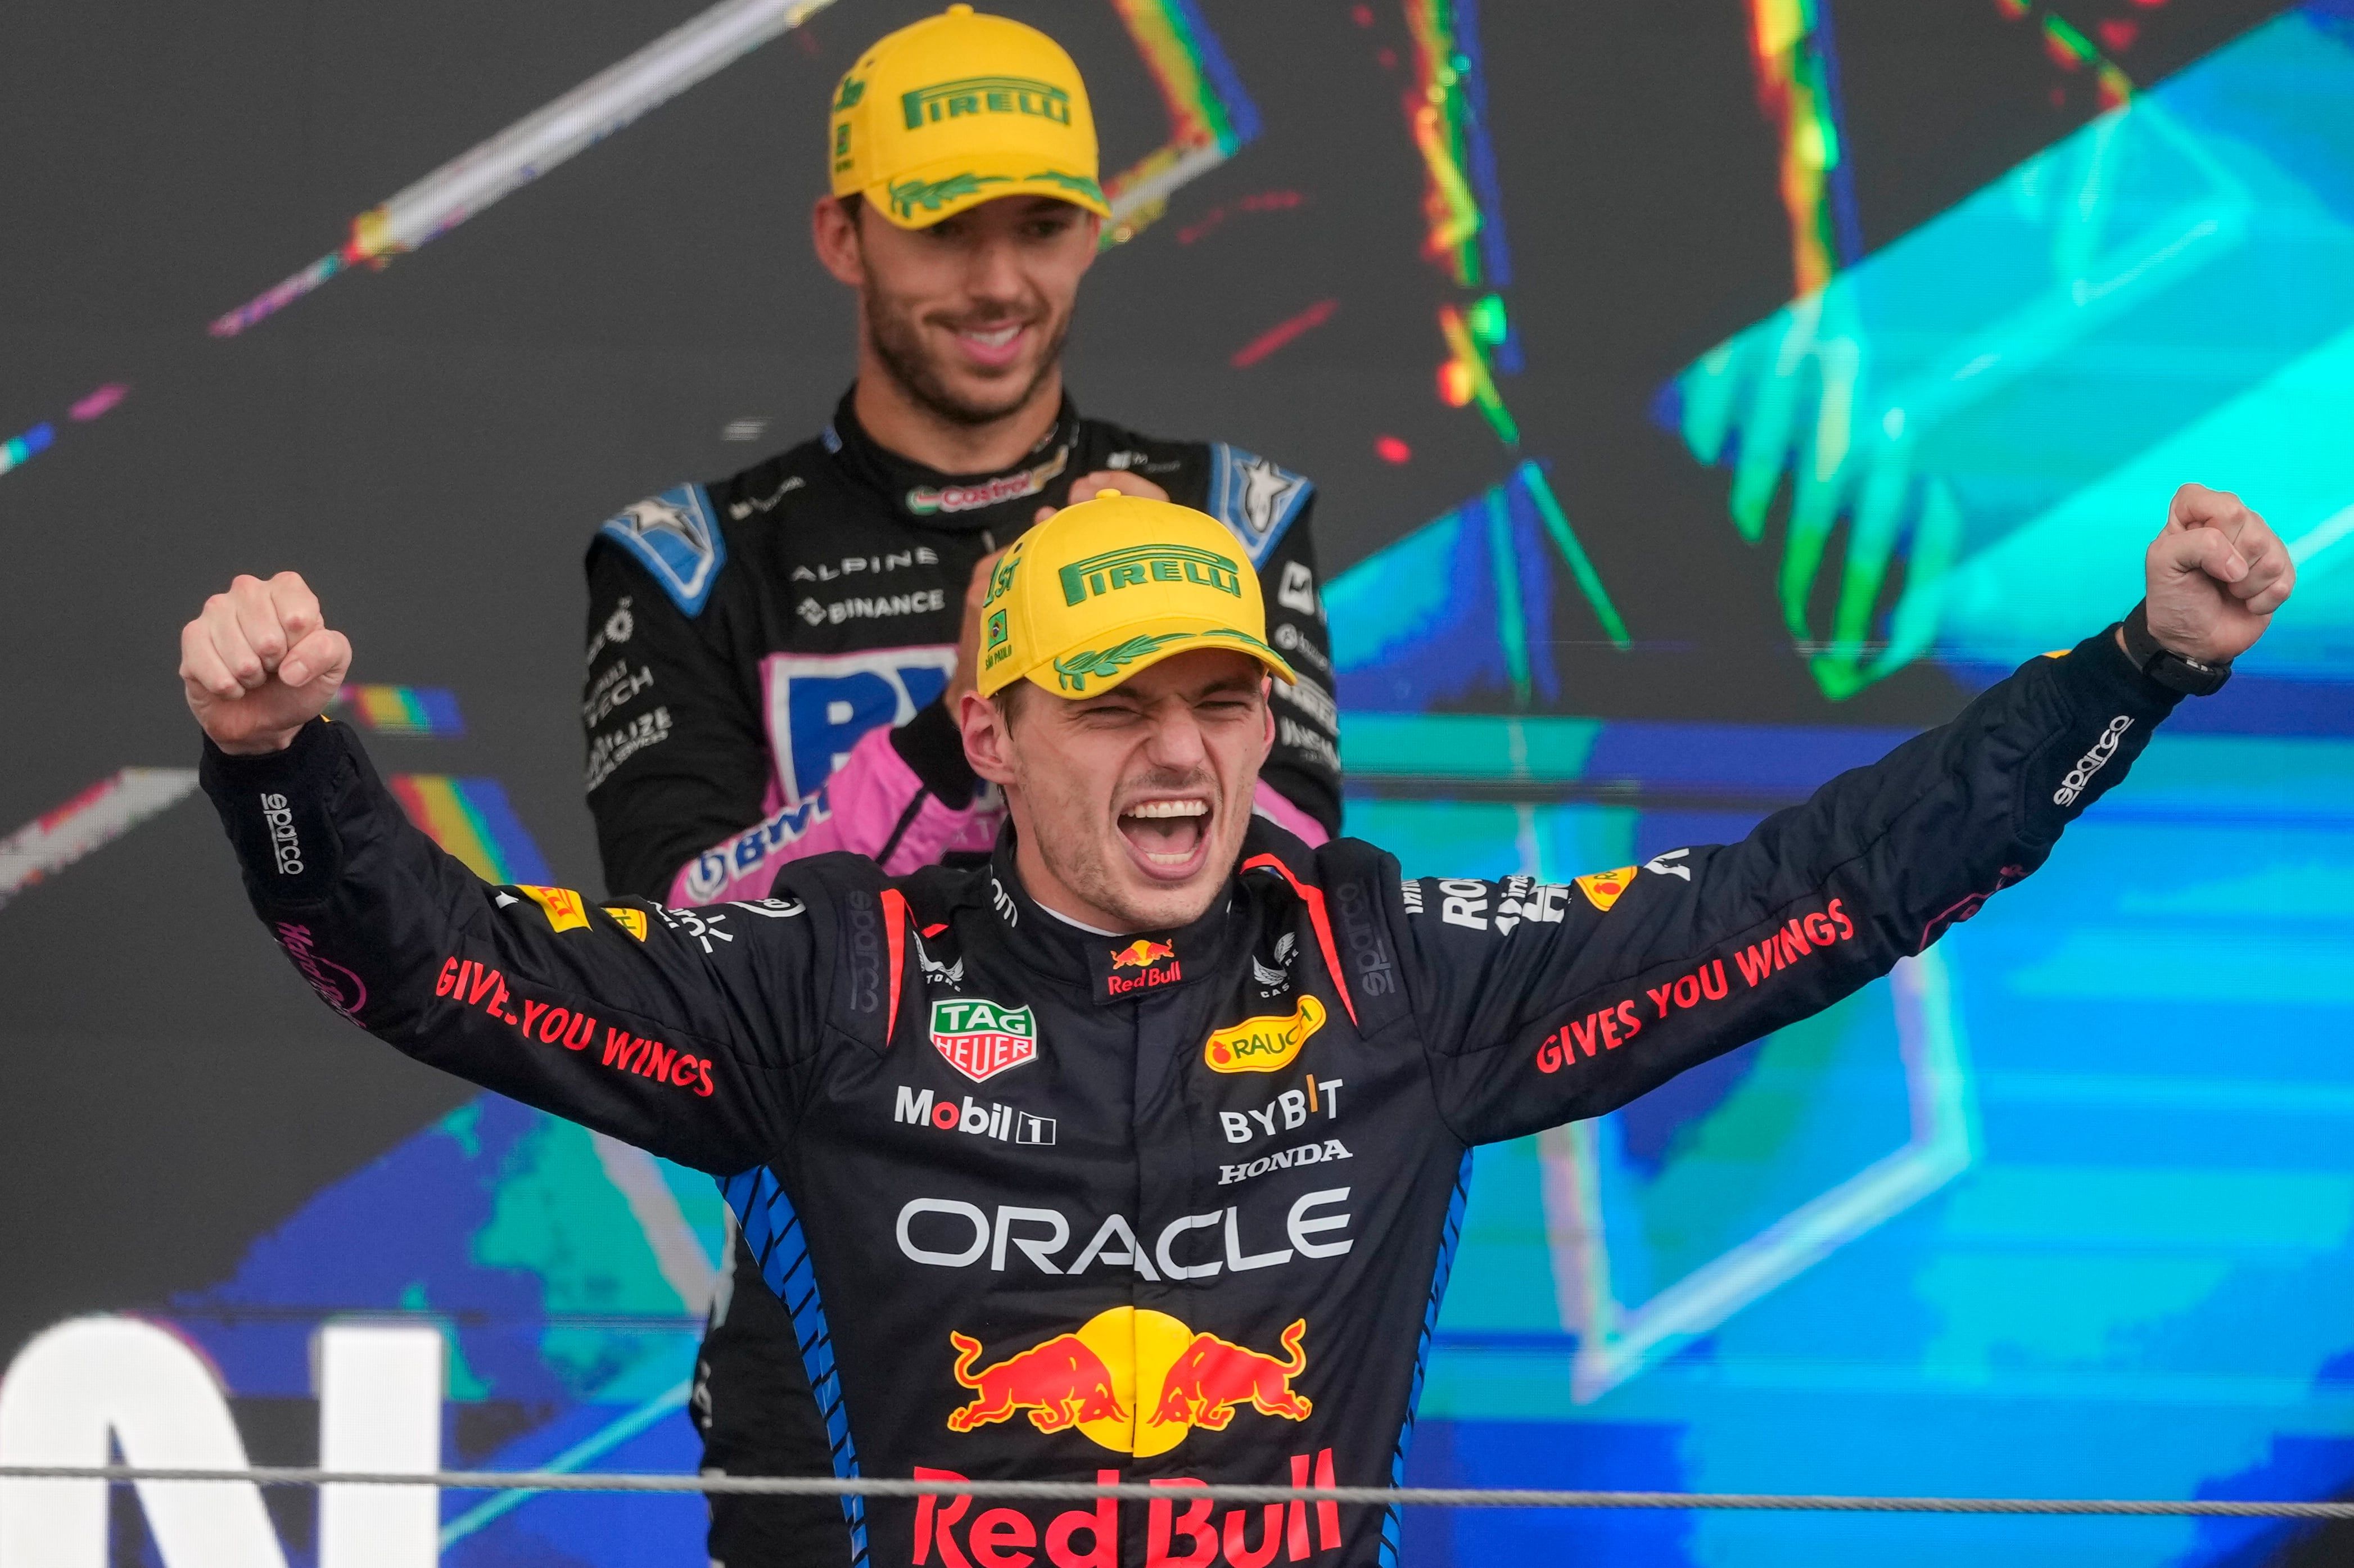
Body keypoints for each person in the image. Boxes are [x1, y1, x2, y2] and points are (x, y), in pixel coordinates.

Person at [182, 485, 2289, 1567]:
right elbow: (438, 965)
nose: (1182, 755)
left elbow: (1816, 895)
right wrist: (283, 766)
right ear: (993, 737)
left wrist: (2134, 672)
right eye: (1119, 709)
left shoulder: (1395, 969)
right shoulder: (827, 977)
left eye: (1221, 700)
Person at [577, 11, 1340, 1544]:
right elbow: (682, 939)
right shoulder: (691, 560)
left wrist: (1140, 632)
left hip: (1193, 1307)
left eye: (1042, 227)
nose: (999, 282)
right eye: (944, 228)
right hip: (834, 1307)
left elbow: (1299, 876)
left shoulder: (1228, 518)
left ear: (1096, 230)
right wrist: (946, 732)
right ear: (842, 235)